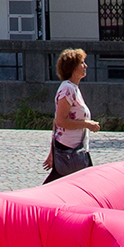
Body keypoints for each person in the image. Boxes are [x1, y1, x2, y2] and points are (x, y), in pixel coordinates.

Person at [45, 48, 99, 182]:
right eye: (82, 63)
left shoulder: (73, 88)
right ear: (72, 68)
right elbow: (60, 121)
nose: (85, 66)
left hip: (76, 150)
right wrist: (87, 124)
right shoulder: (67, 89)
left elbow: (56, 121)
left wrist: (52, 153)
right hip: (69, 151)